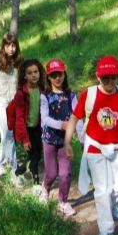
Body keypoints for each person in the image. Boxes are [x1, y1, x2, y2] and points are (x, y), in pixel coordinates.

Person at [64, 55, 118, 235]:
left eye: (113, 77)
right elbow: (74, 119)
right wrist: (67, 143)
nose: (110, 82)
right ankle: (106, 229)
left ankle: (110, 206)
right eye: (105, 78)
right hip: (95, 147)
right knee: (102, 190)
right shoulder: (89, 96)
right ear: (98, 77)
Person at [39, 58, 81, 216]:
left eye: (60, 74)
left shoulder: (71, 96)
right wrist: (61, 124)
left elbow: (78, 117)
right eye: (53, 75)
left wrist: (83, 140)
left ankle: (63, 201)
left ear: (64, 74)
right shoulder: (45, 96)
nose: (57, 78)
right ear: (48, 77)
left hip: (66, 141)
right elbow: (45, 119)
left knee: (65, 173)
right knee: (51, 173)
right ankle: (45, 188)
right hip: (49, 139)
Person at [0, 33, 23, 177]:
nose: (11, 49)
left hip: (14, 104)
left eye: (13, 45)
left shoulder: (20, 62)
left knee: (8, 135)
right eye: (8, 46)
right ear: (3, 47)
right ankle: (12, 168)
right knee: (8, 133)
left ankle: (1, 163)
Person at [13, 59, 46, 188]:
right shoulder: (21, 94)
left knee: (37, 156)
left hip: (38, 129)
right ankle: (36, 184)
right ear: (24, 75)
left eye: (36, 72)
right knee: (35, 156)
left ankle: (18, 172)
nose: (34, 75)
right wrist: (25, 139)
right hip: (26, 130)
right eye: (30, 73)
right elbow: (19, 118)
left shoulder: (43, 89)